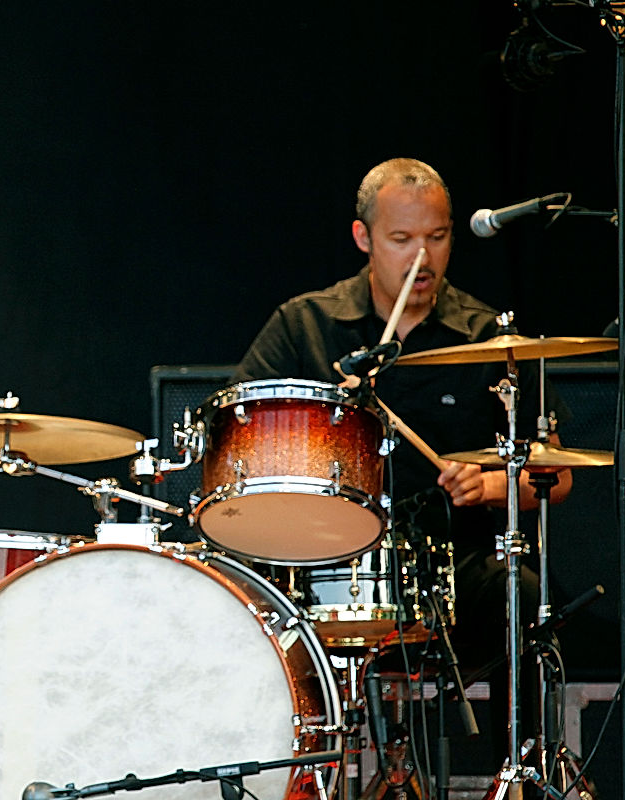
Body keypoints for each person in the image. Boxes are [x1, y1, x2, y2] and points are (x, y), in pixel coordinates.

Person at [231, 157, 573, 771]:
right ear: (364, 238)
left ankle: (517, 774)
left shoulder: (486, 335)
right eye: (402, 239)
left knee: (521, 595)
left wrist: (493, 484)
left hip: (455, 565)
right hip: (327, 565)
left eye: (437, 237)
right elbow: (240, 438)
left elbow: (559, 474)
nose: (424, 257)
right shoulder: (305, 325)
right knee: (240, 603)